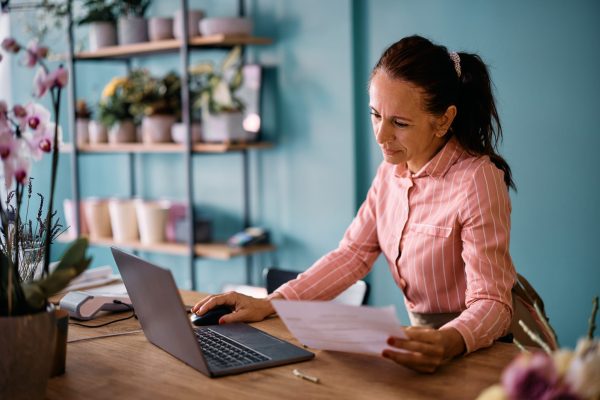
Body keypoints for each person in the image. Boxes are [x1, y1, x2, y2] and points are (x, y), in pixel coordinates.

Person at [192, 35, 517, 373]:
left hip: (476, 350)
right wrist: (270, 304)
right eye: (376, 115)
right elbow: (354, 254)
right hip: (425, 346)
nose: (380, 135)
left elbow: (492, 302)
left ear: (444, 120)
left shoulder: (478, 180)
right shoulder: (391, 171)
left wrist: (450, 341)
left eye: (400, 123)